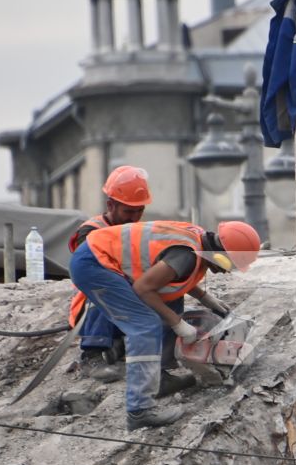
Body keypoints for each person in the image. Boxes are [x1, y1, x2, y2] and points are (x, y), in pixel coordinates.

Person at [70, 219, 260, 430]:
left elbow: (172, 276)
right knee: (145, 326)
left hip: (99, 256)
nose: (227, 271)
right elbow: (143, 288)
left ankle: (159, 377)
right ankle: (139, 411)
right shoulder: (186, 254)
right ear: (220, 253)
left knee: (170, 300)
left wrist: (205, 297)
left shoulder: (197, 241)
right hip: (94, 263)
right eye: (229, 265)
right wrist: (178, 324)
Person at [69, 166, 152, 381]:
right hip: (92, 306)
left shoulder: (139, 232)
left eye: (138, 211)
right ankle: (91, 356)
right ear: (111, 205)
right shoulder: (91, 231)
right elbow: (96, 272)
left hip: (127, 305)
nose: (134, 218)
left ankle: (121, 346)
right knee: (106, 289)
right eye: (128, 212)